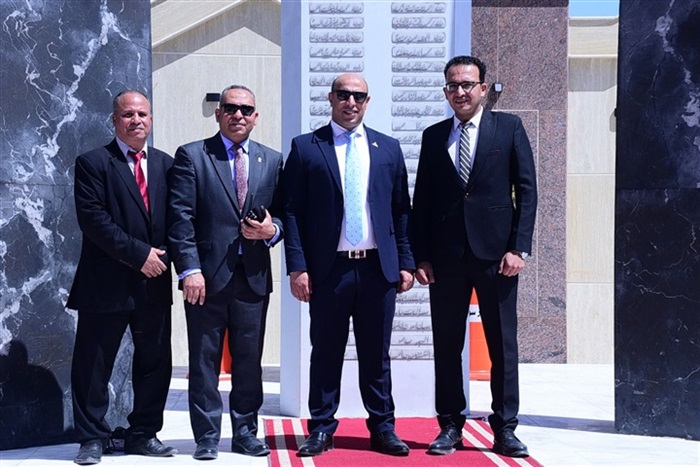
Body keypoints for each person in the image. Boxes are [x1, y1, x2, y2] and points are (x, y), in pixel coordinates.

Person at [282, 73, 415, 457]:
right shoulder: (306, 148)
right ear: (331, 98)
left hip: (377, 270)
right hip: (330, 271)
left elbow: (400, 211)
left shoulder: (387, 148)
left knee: (377, 355)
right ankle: (321, 429)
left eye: (358, 96)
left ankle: (383, 428)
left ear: (367, 102)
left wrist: (405, 261)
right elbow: (291, 212)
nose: (351, 102)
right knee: (326, 353)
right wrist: (297, 266)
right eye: (343, 95)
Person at [412, 55, 537, 458]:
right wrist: (421, 256)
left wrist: (518, 247)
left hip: (497, 256)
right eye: (453, 85)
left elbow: (527, 189)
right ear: (445, 91)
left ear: (483, 88)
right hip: (446, 258)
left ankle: (506, 427)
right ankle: (450, 425)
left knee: (502, 345)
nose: (460, 92)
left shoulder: (509, 127)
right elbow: (422, 200)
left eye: (467, 84)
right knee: (447, 344)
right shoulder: (434, 136)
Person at [167, 85, 283, 460]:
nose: (238, 115)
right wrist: (189, 270)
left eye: (246, 109)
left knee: (249, 362)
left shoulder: (272, 159)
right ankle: (206, 436)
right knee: (204, 362)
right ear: (218, 113)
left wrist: (272, 231)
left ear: (256, 116)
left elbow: (284, 214)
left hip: (253, 279)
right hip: (205, 279)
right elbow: (180, 219)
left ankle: (246, 433)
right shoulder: (192, 156)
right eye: (230, 108)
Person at [68, 90, 177, 465]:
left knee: (155, 363)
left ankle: (143, 433)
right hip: (106, 283)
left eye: (142, 114)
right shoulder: (93, 163)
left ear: (151, 119)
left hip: (154, 282)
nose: (136, 120)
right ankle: (91, 437)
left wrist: (165, 257)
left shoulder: (166, 165)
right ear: (114, 120)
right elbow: (94, 220)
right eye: (128, 114)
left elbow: (179, 219)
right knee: (93, 364)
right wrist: (139, 255)